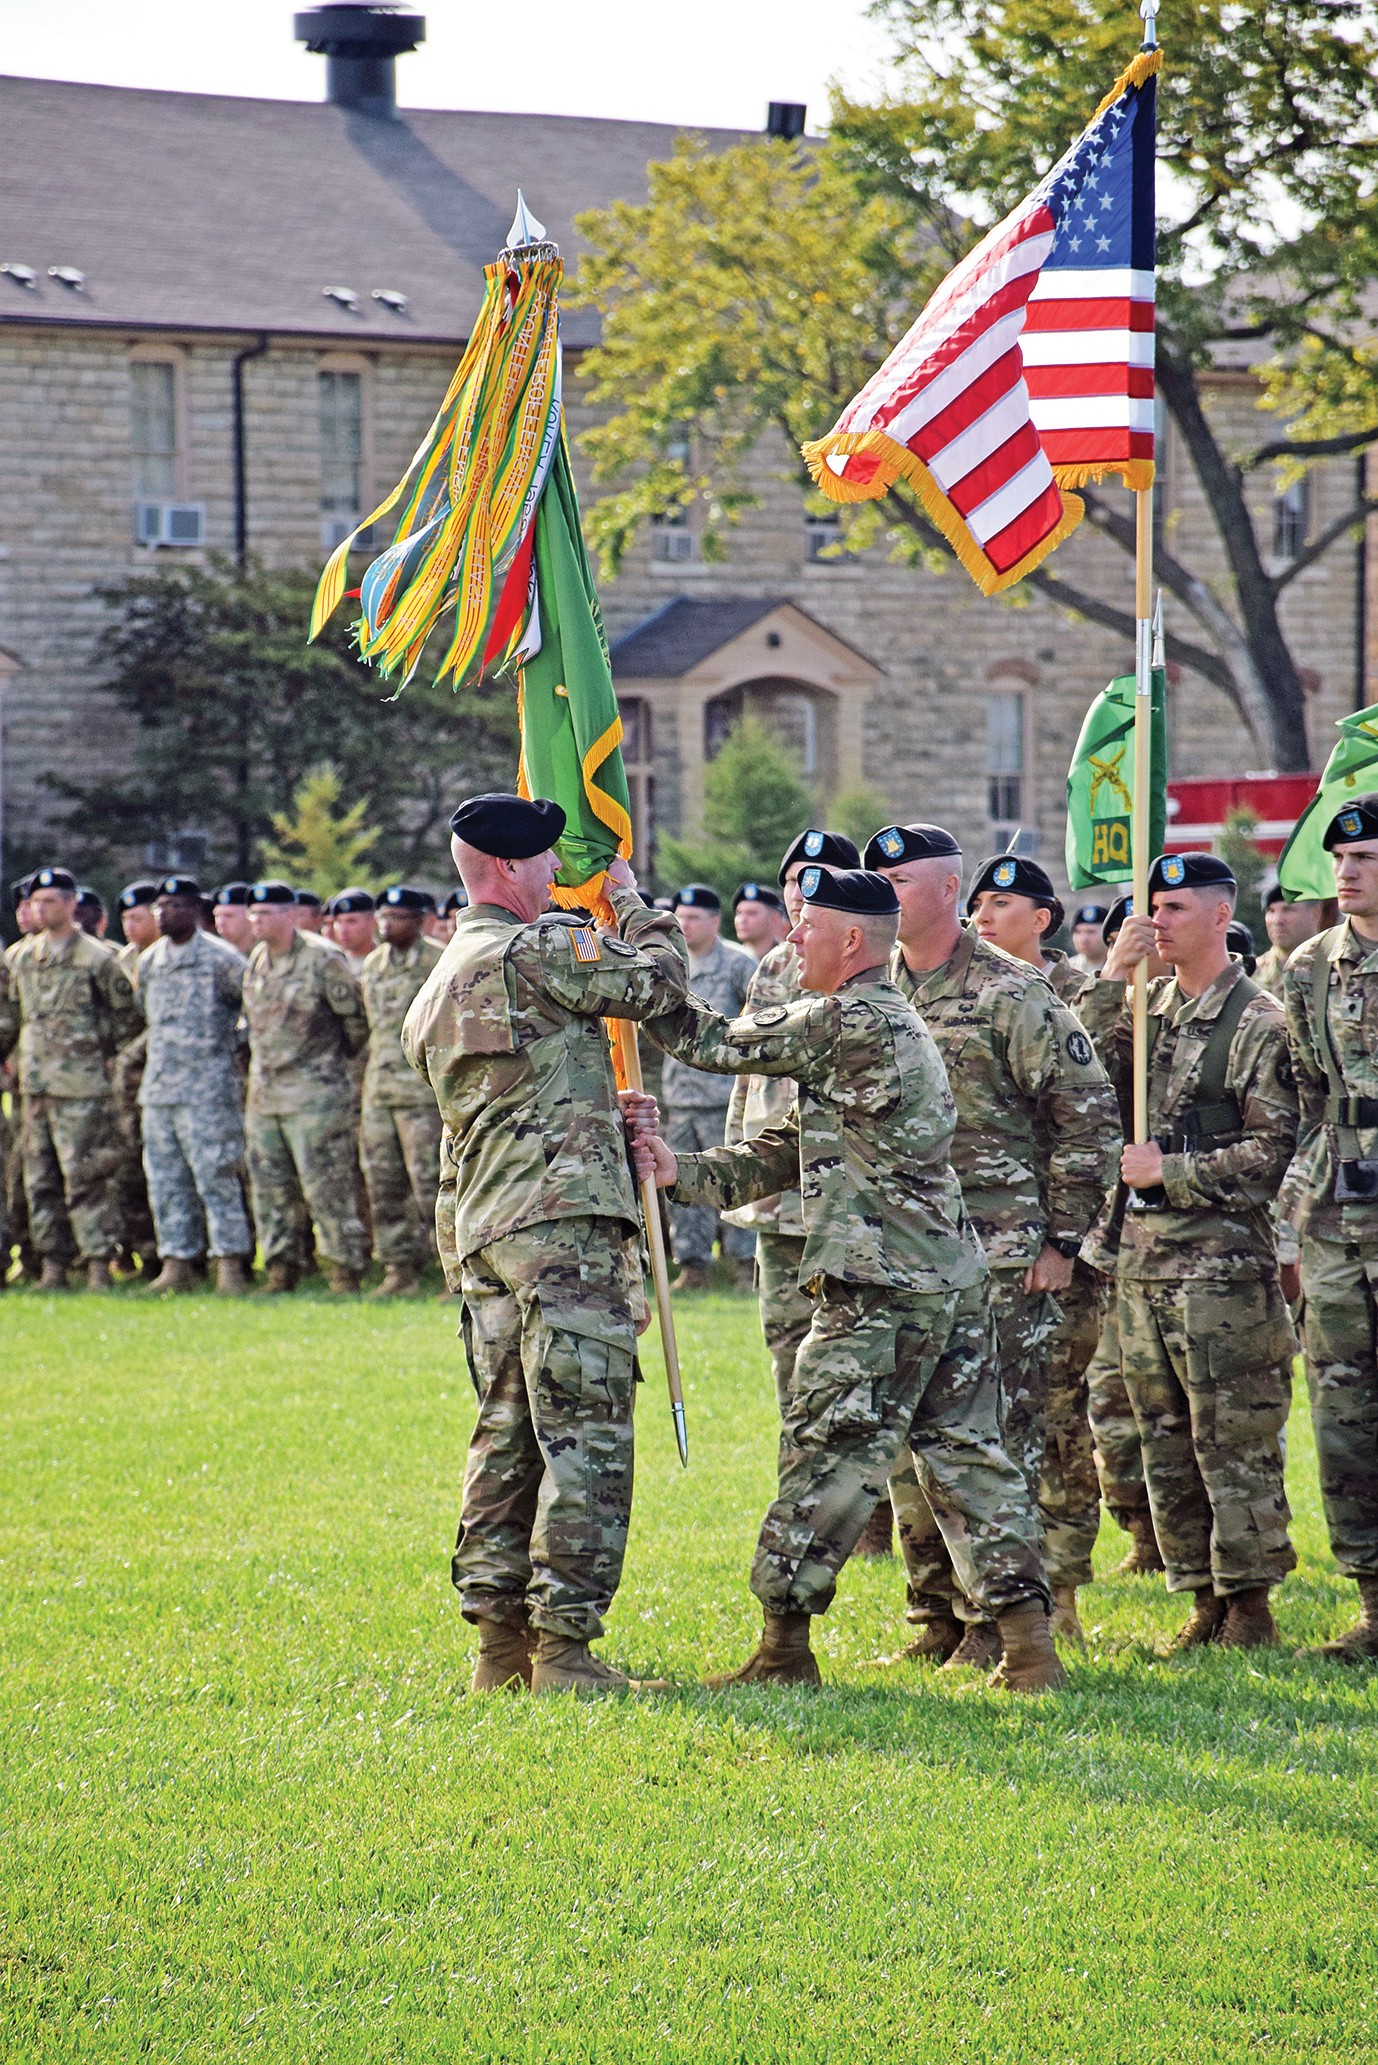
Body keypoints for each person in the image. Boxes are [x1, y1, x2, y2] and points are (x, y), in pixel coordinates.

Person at [634, 862, 1063, 1693]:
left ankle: (783, 1653)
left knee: (820, 1458)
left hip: (882, 1292)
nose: (793, 936)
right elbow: (783, 1152)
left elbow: (705, 1040)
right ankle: (1029, 1649)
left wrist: (635, 926)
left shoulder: (847, 1019)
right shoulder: (880, 1022)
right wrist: (672, 1169)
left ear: (853, 940)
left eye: (808, 926)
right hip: (943, 1279)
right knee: (970, 1461)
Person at [400, 791, 691, 1697]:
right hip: (563, 1236)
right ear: (509, 869)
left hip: (485, 1233)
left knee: (508, 1434)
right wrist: (633, 900)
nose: (560, 873)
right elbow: (658, 984)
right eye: (547, 861)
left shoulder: (441, 978)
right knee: (587, 1440)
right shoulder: (540, 947)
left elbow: (503, 1103)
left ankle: (501, 1650)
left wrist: (601, 1113)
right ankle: (565, 1652)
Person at [864, 823, 1120, 1666]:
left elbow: (1087, 1118)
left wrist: (1063, 1241)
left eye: (901, 878)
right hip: (901, 1254)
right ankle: (933, 1617)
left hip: (1003, 1257)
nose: (885, 891)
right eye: (879, 878)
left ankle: (994, 1625)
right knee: (906, 1446)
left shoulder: (1015, 991)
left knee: (995, 1445)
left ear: (947, 888)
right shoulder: (873, 989)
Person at [1082, 851, 1299, 1649]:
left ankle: (1250, 1608)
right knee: (1164, 1440)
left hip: (1221, 1274)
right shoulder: (1148, 1011)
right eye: (1151, 907)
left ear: (1218, 915)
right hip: (1142, 1266)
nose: (1158, 922)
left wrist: (1168, 1171)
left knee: (1232, 1439)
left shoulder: (1258, 1022)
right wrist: (1113, 972)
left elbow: (1269, 1154)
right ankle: (1200, 1597)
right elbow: (1077, 1074)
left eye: (1174, 908)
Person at [719, 830, 892, 1559]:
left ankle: (875, 1516)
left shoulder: (871, 971)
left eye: (816, 877)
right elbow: (750, 1081)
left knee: (860, 1366)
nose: (798, 889)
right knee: (791, 1362)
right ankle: (813, 1510)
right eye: (792, 876)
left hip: (844, 1199)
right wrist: (737, 1172)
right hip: (780, 1201)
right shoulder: (774, 965)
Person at [966, 851, 1121, 1641]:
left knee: (1057, 1421)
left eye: (1001, 903)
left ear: (1044, 918)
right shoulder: (963, 990)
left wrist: (1070, 1242)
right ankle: (981, 1602)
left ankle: (1060, 1592)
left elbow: (1097, 1124)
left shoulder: (1084, 999)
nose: (983, 916)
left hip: (1062, 1248)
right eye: (976, 904)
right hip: (980, 1248)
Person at [1281, 795, 1378, 1657]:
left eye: (1365, 858)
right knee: (1344, 1409)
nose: (1345, 872)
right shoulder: (1309, 965)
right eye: (1339, 859)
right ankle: (1376, 1606)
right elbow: (1306, 1096)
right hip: (1336, 1206)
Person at [1, 867, 142, 1290]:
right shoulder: (23, 956)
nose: (40, 909)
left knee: (86, 1178)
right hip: (36, 1087)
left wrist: (105, 1059)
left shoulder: (96, 958)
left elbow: (127, 1016)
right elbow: (10, 1017)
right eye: (35, 902)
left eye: (50, 902)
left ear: (70, 905)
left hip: (82, 1088)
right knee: (38, 1179)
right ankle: (53, 1266)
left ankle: (98, 1264)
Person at [241, 879, 370, 1294]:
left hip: (316, 1095)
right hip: (264, 1096)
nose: (256, 921)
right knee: (270, 1188)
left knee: (327, 1186)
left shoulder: (322, 958)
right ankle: (282, 1269)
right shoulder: (256, 960)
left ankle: (343, 1270)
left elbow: (355, 1022)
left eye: (266, 913)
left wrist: (326, 1065)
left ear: (290, 915)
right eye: (253, 914)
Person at [135, 876, 253, 1294]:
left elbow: (252, 1012)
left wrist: (232, 1047)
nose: (164, 914)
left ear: (195, 911)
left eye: (175, 906)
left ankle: (230, 1263)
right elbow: (144, 1016)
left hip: (208, 1089)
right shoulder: (150, 961)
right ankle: (177, 1261)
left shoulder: (222, 960)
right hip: (160, 1088)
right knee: (165, 1179)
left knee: (216, 1174)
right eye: (159, 907)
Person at [662, 883, 756, 1290]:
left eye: (694, 917)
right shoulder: (669, 965)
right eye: (679, 917)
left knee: (733, 1183)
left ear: (715, 921)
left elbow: (759, 1022)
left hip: (724, 1097)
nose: (684, 925)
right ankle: (693, 1265)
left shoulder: (738, 964)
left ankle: (745, 1265)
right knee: (682, 1186)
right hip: (680, 1099)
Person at [359, 885, 443, 1296]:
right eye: (383, 917)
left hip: (422, 1095)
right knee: (383, 1183)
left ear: (420, 921)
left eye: (397, 918)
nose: (386, 925)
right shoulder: (372, 964)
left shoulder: (439, 962)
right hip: (379, 1092)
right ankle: (399, 1270)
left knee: (433, 1187)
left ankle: (453, 1272)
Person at [1256, 877, 1337, 998]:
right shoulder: (1253, 973)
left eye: (1287, 910)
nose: (1277, 920)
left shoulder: (1336, 968)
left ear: (1316, 913)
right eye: (1271, 911)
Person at [732, 881, 789, 962]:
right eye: (739, 913)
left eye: (751, 913)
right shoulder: (729, 960)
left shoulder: (789, 959)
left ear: (774, 918)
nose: (742, 920)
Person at [329, 887, 378, 977]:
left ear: (373, 923)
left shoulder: (386, 963)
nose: (343, 930)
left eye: (351, 921)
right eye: (338, 921)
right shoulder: (329, 963)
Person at [212, 883, 255, 956]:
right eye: (217, 916)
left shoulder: (266, 953)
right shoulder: (214, 955)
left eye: (229, 916)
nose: (221, 923)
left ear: (251, 916)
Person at [1069, 902, 1109, 976]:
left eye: (1090, 932)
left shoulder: (1121, 967)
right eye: (1078, 932)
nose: (1083, 939)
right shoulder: (1067, 969)